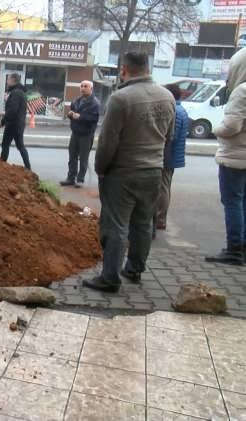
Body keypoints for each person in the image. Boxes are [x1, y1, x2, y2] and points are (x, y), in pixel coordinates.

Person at [83, 52, 175, 292]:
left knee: (116, 225)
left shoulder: (120, 98)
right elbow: (169, 138)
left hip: (123, 172)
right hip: (153, 171)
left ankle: (110, 277)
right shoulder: (167, 97)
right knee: (144, 223)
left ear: (124, 69)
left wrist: (101, 169)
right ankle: (134, 269)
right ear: (147, 67)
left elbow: (108, 142)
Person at [206, 47, 246, 265]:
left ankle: (234, 250)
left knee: (232, 201)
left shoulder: (242, 91)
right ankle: (243, 247)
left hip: (236, 156)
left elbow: (232, 126)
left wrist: (217, 129)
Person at [155, 83, 189, 232]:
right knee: (165, 186)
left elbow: (171, 136)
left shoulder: (174, 110)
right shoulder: (181, 110)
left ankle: (160, 219)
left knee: (163, 187)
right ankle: (160, 218)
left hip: (168, 155)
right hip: (173, 155)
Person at [60, 80, 101, 188]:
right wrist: (70, 114)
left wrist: (80, 117)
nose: (82, 88)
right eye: (81, 86)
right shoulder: (76, 100)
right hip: (75, 132)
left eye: (85, 86)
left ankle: (80, 179)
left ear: (91, 88)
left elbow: (94, 118)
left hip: (86, 135)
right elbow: (72, 111)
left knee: (83, 158)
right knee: (72, 156)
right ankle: (70, 178)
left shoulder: (95, 103)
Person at [0, 73, 31, 170]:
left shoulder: (16, 93)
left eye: (8, 79)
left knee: (5, 144)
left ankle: (2, 165)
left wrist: (3, 120)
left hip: (13, 124)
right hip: (19, 123)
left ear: (13, 80)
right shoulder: (20, 92)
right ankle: (27, 167)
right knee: (20, 146)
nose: (7, 81)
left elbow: (12, 110)